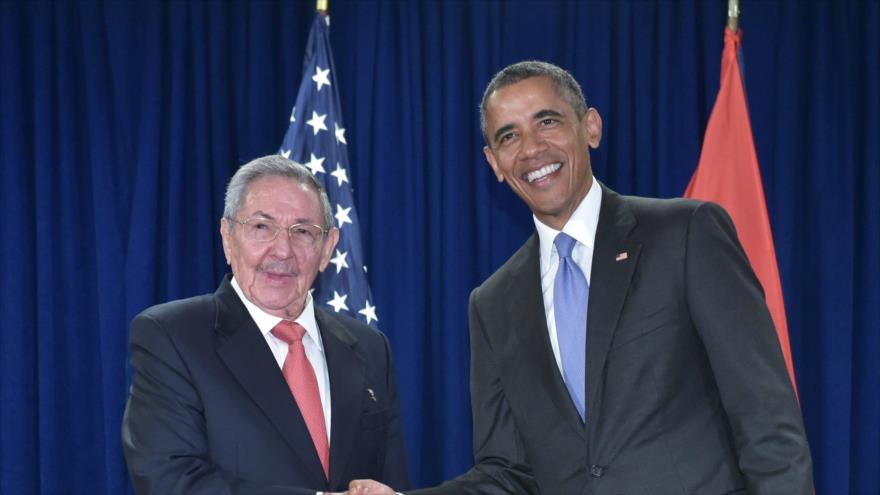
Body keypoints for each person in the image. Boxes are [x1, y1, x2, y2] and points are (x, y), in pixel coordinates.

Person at [350, 61, 813, 494]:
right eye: (509, 136)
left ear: (590, 127)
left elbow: (766, 419)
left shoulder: (687, 234)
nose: (531, 149)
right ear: (493, 162)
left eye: (547, 121)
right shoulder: (491, 303)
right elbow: (506, 473)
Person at [122, 155, 409, 495]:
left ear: (327, 248)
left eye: (302, 232)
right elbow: (169, 480)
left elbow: (391, 481)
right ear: (228, 237)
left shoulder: (371, 348)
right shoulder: (172, 336)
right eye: (262, 227)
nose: (283, 250)